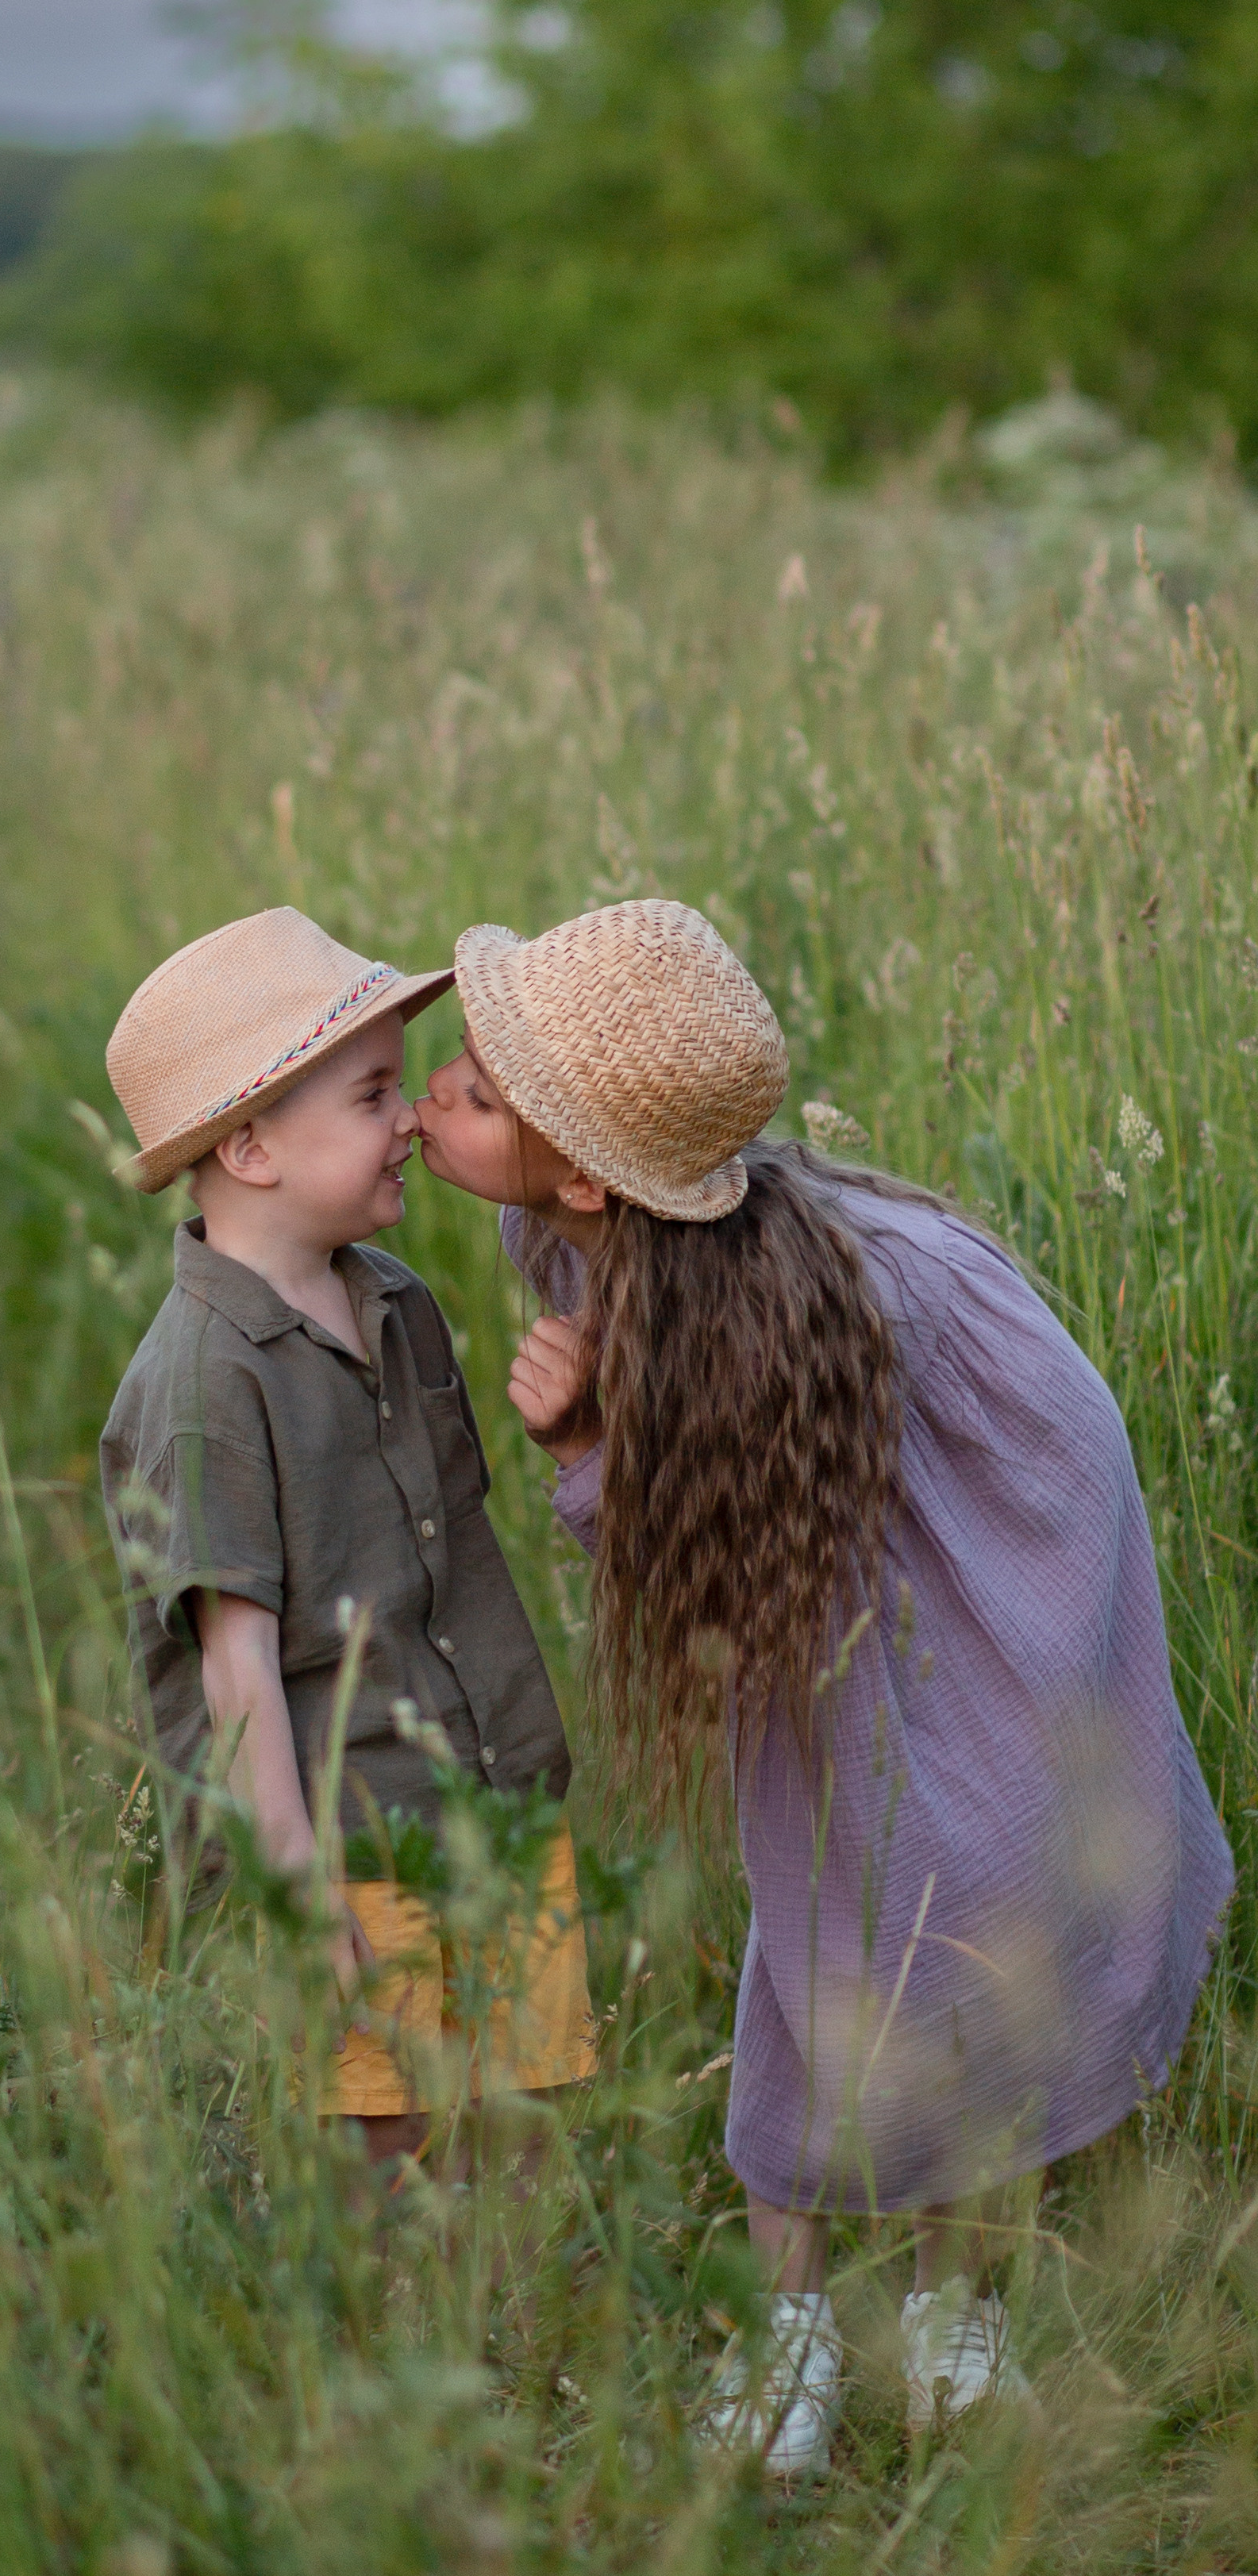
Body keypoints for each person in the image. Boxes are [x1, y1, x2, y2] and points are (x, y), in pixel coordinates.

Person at [414, 895, 1233, 2476]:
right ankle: (785, 2322)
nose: (440, 1098)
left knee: (974, 1912)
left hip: (995, 1575)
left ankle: (948, 2306)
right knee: (821, 1943)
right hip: (845, 1601)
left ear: (585, 1169)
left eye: (471, 1091)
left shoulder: (773, 1298)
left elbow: (706, 1565)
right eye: (451, 1069)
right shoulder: (591, 1232)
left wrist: (584, 1457)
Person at [99, 904, 593, 2167]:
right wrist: (297, 1890)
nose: (414, 1121)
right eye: (374, 1095)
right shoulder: (205, 1382)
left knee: (524, 2154)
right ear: (254, 1148)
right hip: (353, 1846)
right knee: (391, 2171)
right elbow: (236, 1673)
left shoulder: (398, 1303)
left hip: (487, 1806)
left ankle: (533, 2368)